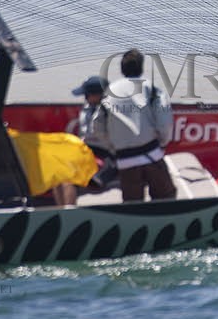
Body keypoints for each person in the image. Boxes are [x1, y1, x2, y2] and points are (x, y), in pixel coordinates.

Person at [90, 48, 176, 201]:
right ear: (141, 68)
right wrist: (162, 142)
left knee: (132, 205)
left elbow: (97, 127)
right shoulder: (152, 89)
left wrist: (113, 147)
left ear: (122, 69)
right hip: (152, 155)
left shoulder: (109, 93)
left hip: (125, 162)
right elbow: (165, 123)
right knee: (166, 199)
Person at [53, 75, 109, 206]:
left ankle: (69, 212)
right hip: (84, 150)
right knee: (56, 172)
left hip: (103, 153)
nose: (85, 97)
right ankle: (60, 210)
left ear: (97, 95)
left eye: (87, 94)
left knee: (69, 177)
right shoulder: (87, 108)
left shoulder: (110, 112)